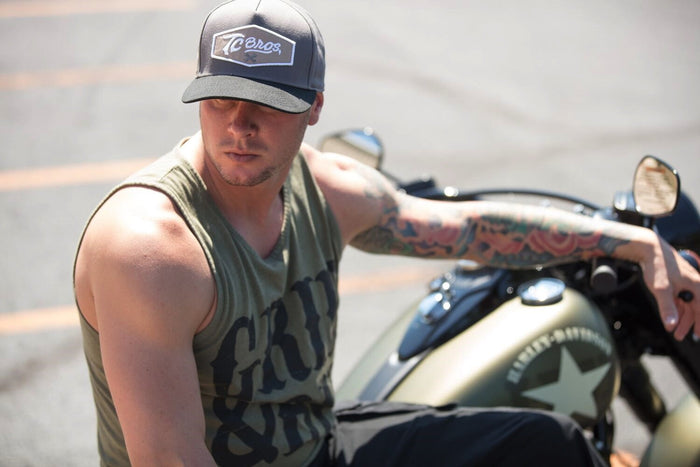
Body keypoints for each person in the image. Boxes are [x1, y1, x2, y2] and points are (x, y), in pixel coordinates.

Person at [73, 0, 700, 465]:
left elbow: (466, 228)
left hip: (318, 448)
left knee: (549, 445)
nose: (238, 125)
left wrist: (629, 242)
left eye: (267, 103)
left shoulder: (320, 188)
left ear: (315, 105)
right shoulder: (151, 250)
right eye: (220, 98)